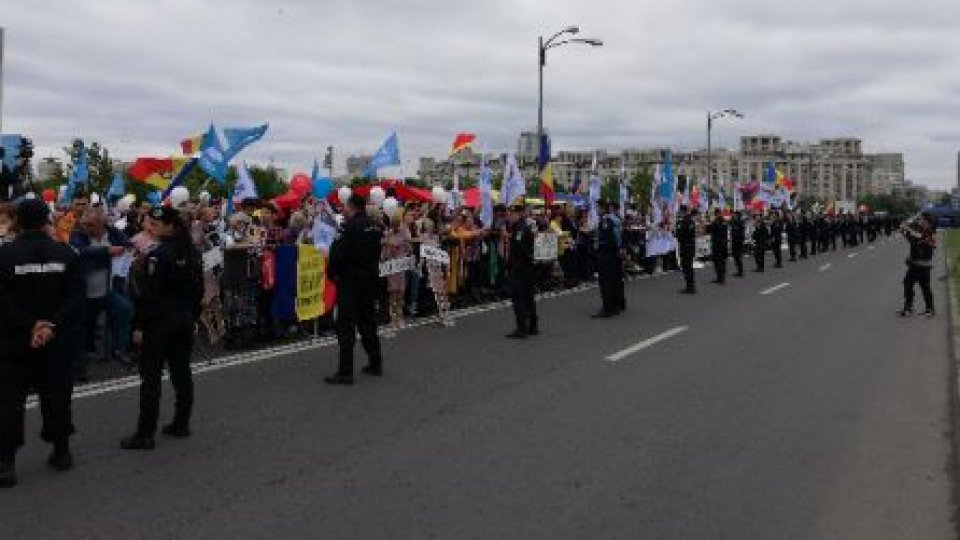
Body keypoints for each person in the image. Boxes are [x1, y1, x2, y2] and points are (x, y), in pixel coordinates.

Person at [0, 199, 84, 488]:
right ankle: (61, 452)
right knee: (57, 394)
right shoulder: (66, 253)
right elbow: (76, 297)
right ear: (46, 220)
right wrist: (50, 325)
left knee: (9, 400)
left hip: (14, 339)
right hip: (55, 339)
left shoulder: (5, 255)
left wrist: (30, 325)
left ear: (17, 222)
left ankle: (6, 462)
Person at [120, 207, 204, 450]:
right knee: (181, 371)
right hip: (183, 318)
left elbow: (148, 296)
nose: (149, 227)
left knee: (151, 376)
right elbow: (198, 289)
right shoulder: (191, 251)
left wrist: (139, 325)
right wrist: (192, 316)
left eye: (155, 224)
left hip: (160, 321)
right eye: (149, 223)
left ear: (170, 226)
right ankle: (181, 422)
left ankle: (145, 433)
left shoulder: (158, 254)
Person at [325, 195, 384, 385]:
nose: (343, 210)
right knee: (368, 322)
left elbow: (336, 254)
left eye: (344, 206)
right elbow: (378, 252)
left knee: (346, 326)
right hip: (370, 280)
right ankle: (375, 362)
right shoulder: (374, 227)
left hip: (350, 282)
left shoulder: (348, 227)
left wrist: (332, 274)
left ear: (351, 207)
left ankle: (345, 372)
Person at [505, 204, 538, 337]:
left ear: (517, 215)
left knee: (519, 298)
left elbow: (520, 249)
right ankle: (533, 326)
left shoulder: (519, 229)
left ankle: (521, 328)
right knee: (529, 297)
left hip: (520, 268)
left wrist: (511, 265)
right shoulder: (523, 227)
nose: (509, 217)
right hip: (527, 268)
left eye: (511, 215)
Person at [898, 216, 936, 317]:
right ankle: (909, 307)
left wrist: (906, 228)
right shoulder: (920, 231)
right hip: (914, 265)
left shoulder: (929, 232)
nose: (920, 222)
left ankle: (929, 309)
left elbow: (919, 237)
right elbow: (912, 238)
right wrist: (903, 231)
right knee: (907, 284)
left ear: (928, 222)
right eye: (920, 220)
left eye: (922, 220)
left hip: (923, 266)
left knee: (925, 288)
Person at [593, 200, 624, 317]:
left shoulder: (605, 220)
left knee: (605, 281)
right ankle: (616, 306)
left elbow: (610, 237)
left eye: (597, 207)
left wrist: (613, 249)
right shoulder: (614, 218)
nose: (596, 209)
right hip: (613, 254)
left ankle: (607, 308)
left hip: (606, 254)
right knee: (614, 280)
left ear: (602, 208)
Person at [676, 206, 697, 294]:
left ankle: (690, 287)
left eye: (680, 211)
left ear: (683, 211)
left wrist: (676, 230)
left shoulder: (683, 222)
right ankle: (691, 285)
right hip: (691, 246)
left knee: (686, 266)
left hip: (685, 247)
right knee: (689, 266)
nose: (679, 213)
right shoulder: (691, 221)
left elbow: (679, 235)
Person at [707, 208, 728, 284]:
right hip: (723, 244)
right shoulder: (723, 221)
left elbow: (710, 230)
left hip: (718, 244)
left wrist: (711, 222)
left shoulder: (717, 222)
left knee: (718, 261)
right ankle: (721, 277)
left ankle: (720, 278)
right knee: (721, 261)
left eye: (715, 214)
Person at [730, 210, 746, 277]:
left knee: (738, 257)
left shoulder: (740, 223)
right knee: (735, 257)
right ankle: (739, 270)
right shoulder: (734, 222)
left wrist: (736, 235)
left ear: (737, 216)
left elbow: (740, 233)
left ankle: (740, 271)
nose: (734, 216)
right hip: (734, 241)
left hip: (738, 242)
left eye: (735, 215)